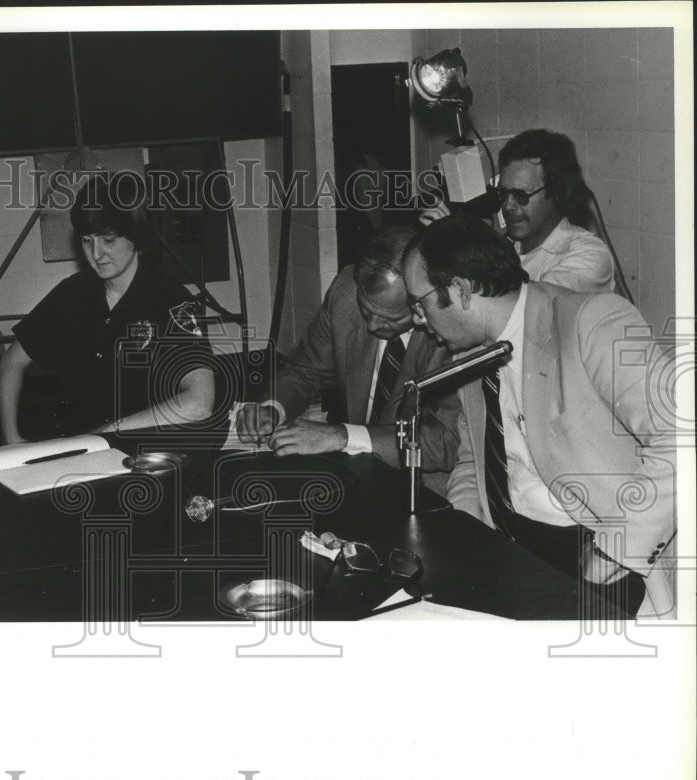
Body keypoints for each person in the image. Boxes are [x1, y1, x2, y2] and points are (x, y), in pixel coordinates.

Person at [402, 214, 675, 618]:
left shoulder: (592, 321)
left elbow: (681, 435)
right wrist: (467, 530)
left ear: (459, 290)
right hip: (512, 548)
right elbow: (473, 459)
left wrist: (616, 550)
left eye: (419, 304)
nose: (417, 320)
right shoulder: (470, 355)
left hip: (601, 562)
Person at [236, 224, 460, 494]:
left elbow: (447, 439)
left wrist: (342, 436)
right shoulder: (345, 294)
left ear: (420, 302)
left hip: (424, 486)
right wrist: (271, 409)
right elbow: (305, 369)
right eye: (367, 311)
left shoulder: (450, 331)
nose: (374, 327)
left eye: (391, 318)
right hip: (359, 473)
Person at [0, 174, 215, 443]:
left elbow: (201, 401)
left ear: (135, 236)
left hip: (146, 450)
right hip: (77, 444)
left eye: (107, 240)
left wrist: (109, 432)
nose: (96, 254)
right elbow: (11, 363)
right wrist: (12, 439)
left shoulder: (171, 300)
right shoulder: (71, 293)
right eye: (87, 241)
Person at [421, 129, 614, 293]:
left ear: (556, 192)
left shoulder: (589, 255)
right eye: (504, 194)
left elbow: (530, 309)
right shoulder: (506, 248)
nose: (508, 206)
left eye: (520, 195)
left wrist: (459, 250)